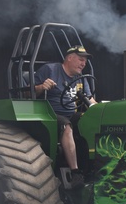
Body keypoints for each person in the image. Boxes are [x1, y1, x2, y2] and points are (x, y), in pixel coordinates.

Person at [35, 45, 97, 189]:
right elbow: (26, 93)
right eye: (81, 59)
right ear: (69, 58)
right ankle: (75, 173)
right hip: (50, 114)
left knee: (89, 121)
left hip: (71, 113)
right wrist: (41, 87)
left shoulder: (81, 78)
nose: (83, 63)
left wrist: (101, 110)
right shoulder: (50, 70)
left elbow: (90, 100)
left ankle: (92, 168)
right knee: (66, 126)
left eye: (85, 61)